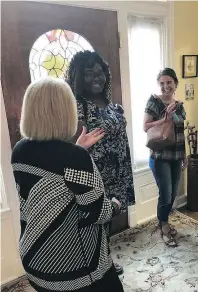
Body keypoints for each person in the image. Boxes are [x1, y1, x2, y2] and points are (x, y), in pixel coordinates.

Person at [11, 77, 124, 292]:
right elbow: (97, 213)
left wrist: (77, 148)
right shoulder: (74, 158)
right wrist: (115, 204)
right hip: (76, 270)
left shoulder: (19, 150)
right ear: (65, 112)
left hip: (34, 262)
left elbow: (52, 175)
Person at [65, 51, 135, 275]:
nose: (97, 77)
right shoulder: (78, 106)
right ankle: (96, 267)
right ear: (78, 77)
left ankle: (104, 261)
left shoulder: (107, 101)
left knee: (108, 221)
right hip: (96, 177)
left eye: (100, 72)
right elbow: (71, 144)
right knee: (95, 224)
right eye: (89, 74)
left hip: (117, 172)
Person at [143, 68, 187, 247]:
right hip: (160, 156)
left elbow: (180, 132)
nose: (165, 86)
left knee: (173, 193)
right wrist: (165, 117)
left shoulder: (180, 105)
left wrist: (185, 155)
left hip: (176, 155)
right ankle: (164, 226)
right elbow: (145, 126)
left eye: (169, 82)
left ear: (175, 83)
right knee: (165, 193)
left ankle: (163, 221)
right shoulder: (154, 102)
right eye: (162, 83)